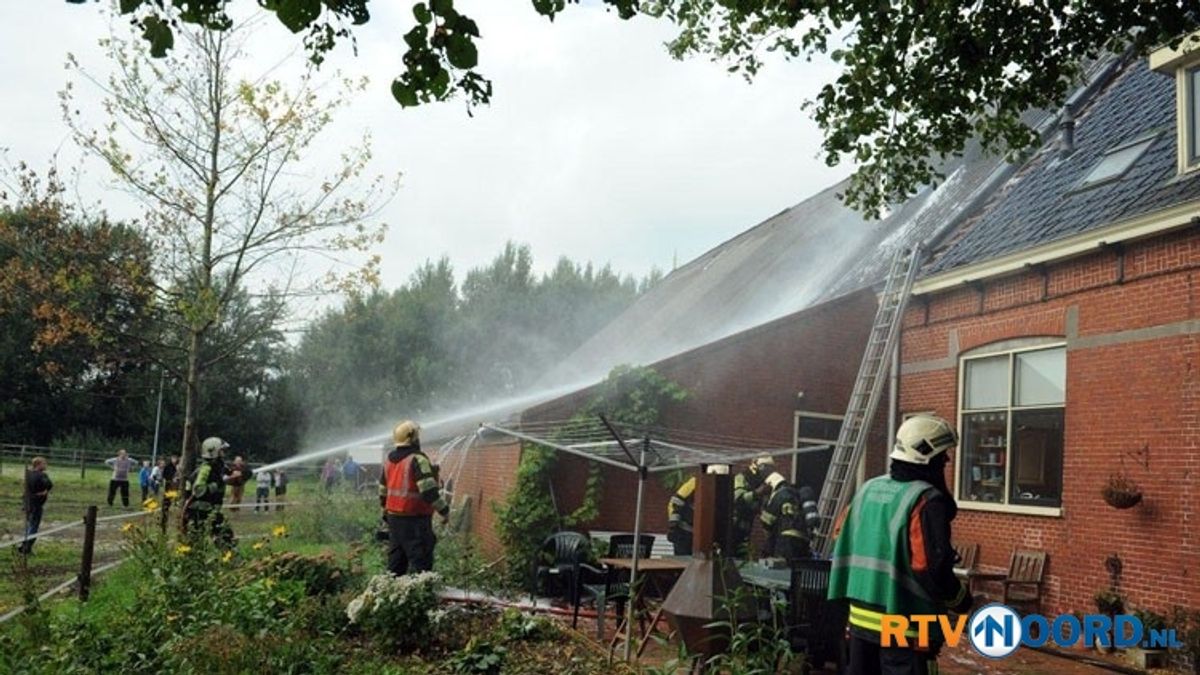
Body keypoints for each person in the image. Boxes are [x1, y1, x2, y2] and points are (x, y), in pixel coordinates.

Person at [828, 415, 973, 675]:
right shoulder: (926, 500)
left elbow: (841, 535)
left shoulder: (867, 490)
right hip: (905, 629)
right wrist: (961, 600)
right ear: (927, 456)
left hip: (860, 623)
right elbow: (930, 568)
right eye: (943, 455)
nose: (947, 461)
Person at [378, 420, 449, 575]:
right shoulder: (418, 459)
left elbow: (383, 491)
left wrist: (385, 514)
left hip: (394, 520)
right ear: (413, 438)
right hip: (415, 521)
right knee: (421, 563)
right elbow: (428, 491)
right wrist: (444, 511)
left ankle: (394, 594)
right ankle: (422, 594)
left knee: (396, 564)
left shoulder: (389, 461)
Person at [183, 437, 232, 544]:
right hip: (197, 512)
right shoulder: (206, 469)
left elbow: (231, 476)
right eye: (222, 451)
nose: (224, 454)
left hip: (210, 512)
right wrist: (218, 483)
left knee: (226, 536)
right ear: (213, 452)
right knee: (195, 543)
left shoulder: (218, 467)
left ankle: (231, 557)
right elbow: (198, 490)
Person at [758, 470, 814, 561]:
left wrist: (763, 508)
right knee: (798, 569)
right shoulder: (797, 494)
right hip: (803, 540)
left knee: (783, 570)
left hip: (786, 541)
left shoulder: (779, 495)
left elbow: (767, 522)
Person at [732, 456, 773, 553]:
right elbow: (738, 499)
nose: (767, 474)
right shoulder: (742, 477)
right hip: (733, 527)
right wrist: (758, 493)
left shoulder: (760, 483)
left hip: (746, 528)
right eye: (766, 469)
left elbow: (763, 511)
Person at [18, 457, 52, 555]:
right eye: (44, 463)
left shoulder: (28, 474)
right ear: (38, 465)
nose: (46, 465)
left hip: (27, 502)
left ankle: (26, 546)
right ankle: (25, 547)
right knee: (34, 526)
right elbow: (49, 484)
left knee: (30, 524)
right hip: (36, 504)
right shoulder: (42, 475)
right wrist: (45, 491)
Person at [667, 475, 696, 555]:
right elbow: (675, 502)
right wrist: (673, 526)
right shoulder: (695, 482)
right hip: (683, 533)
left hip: (700, 535)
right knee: (682, 560)